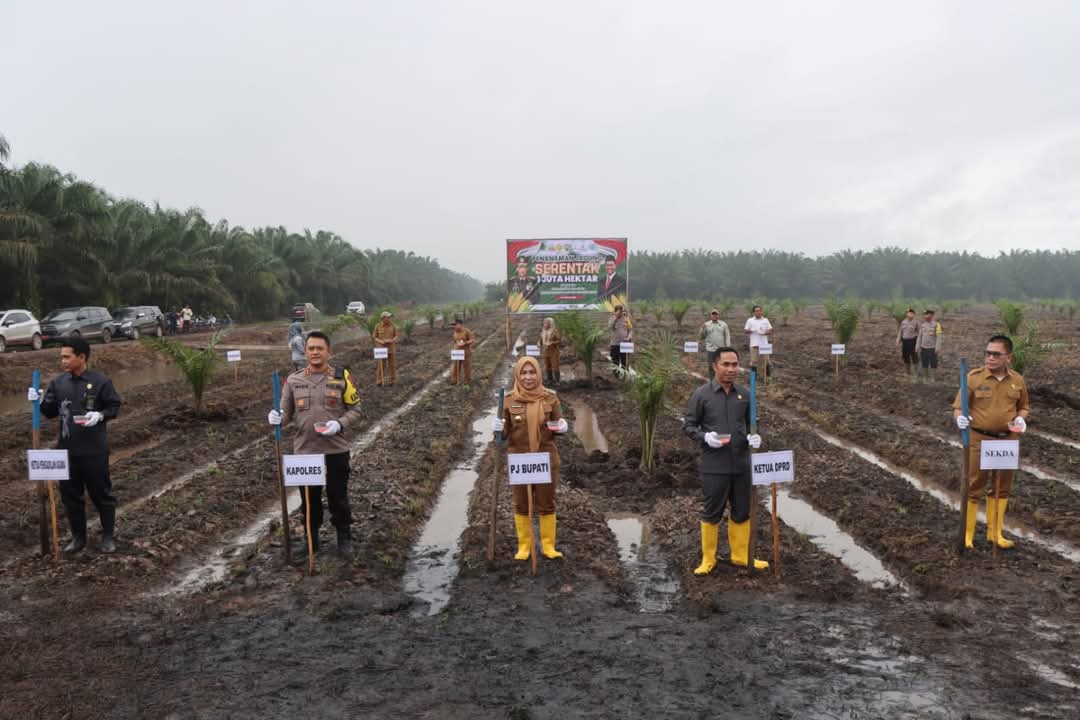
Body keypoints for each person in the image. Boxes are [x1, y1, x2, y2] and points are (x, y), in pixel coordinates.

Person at [268, 331, 362, 556]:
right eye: (311, 348)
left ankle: (344, 537)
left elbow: (356, 409)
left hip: (336, 449)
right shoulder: (293, 380)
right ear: (305, 351)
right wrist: (276, 417)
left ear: (329, 351)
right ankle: (312, 539)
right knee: (309, 499)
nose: (315, 352)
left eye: (320, 348)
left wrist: (339, 424)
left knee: (338, 495)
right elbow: (286, 413)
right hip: (305, 452)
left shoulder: (342, 377)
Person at [27, 337, 122, 553]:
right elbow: (50, 412)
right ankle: (78, 537)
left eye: (67, 357)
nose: (63, 361)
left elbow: (114, 406)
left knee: (101, 494)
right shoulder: (59, 383)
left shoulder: (100, 382)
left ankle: (108, 537)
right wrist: (38, 401)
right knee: (71, 497)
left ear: (82, 357)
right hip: (67, 451)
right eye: (61, 357)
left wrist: (100, 415)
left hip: (94, 450)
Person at [682, 347, 766, 574]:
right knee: (712, 512)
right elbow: (688, 426)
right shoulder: (702, 395)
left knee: (742, 511)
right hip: (714, 465)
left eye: (735, 365)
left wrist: (753, 437)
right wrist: (705, 437)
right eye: (726, 364)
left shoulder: (745, 394)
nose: (731, 369)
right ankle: (709, 559)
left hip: (741, 464)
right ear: (714, 366)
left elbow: (751, 424)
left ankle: (740, 555)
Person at [953, 335, 1031, 550]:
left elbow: (1024, 406)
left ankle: (995, 534)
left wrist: (1021, 418)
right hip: (980, 439)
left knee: (1001, 488)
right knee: (974, 486)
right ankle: (967, 535)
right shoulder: (973, 378)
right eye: (988, 353)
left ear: (1009, 357)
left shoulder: (1017, 380)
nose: (990, 357)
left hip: (1007, 440)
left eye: (996, 354)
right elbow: (959, 407)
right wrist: (959, 419)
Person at [491, 356, 570, 560]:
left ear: (538, 373)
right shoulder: (508, 400)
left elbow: (557, 424)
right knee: (521, 504)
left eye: (532, 372)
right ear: (518, 375)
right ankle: (524, 547)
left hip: (546, 459)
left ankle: (548, 546)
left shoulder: (550, 398)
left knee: (546, 503)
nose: (528, 377)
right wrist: (497, 429)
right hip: (520, 461)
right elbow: (503, 436)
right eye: (524, 373)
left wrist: (562, 427)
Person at [915, 309, 944, 381]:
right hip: (923, 347)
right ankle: (925, 377)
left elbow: (939, 337)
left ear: (931, 315)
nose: (926, 316)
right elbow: (919, 336)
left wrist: (937, 347)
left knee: (933, 362)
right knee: (924, 362)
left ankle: (932, 377)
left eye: (927, 314)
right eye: (925, 314)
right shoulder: (922, 325)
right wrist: (917, 346)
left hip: (932, 347)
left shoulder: (937, 325)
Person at [743, 305, 772, 375]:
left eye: (759, 311)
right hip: (754, 344)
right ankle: (754, 377)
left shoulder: (766, 320)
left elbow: (770, 330)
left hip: (764, 344)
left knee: (767, 361)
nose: (758, 312)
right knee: (753, 361)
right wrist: (752, 330)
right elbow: (746, 330)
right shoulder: (750, 320)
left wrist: (765, 332)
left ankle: (767, 378)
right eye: (756, 311)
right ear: (753, 312)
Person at [372, 311, 399, 386]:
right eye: (388, 317)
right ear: (383, 318)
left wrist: (391, 340)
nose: (390, 319)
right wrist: (381, 341)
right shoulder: (378, 326)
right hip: (381, 349)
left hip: (391, 348)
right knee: (381, 365)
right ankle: (379, 381)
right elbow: (374, 337)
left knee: (392, 365)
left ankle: (392, 381)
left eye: (390, 317)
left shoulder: (393, 325)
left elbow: (396, 336)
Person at [607, 305, 632, 372]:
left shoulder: (626, 319)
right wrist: (616, 318)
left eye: (621, 311)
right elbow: (610, 327)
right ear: (615, 312)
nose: (620, 313)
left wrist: (628, 337)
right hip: (615, 343)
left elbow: (630, 330)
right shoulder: (612, 319)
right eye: (618, 311)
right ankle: (616, 377)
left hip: (625, 343)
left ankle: (625, 376)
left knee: (625, 361)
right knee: (615, 362)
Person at [451, 318, 476, 386]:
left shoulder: (466, 331)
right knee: (456, 366)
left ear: (460, 324)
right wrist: (455, 347)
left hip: (466, 352)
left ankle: (467, 381)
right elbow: (455, 342)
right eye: (453, 325)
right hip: (457, 352)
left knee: (466, 367)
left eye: (455, 325)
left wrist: (465, 343)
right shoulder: (455, 332)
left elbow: (472, 339)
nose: (454, 326)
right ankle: (455, 380)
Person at [895, 308, 919, 379]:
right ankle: (907, 372)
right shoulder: (903, 322)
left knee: (914, 356)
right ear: (906, 314)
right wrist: (898, 340)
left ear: (914, 314)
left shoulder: (916, 322)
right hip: (905, 341)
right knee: (905, 356)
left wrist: (919, 343)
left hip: (913, 341)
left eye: (911, 313)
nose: (910, 314)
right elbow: (900, 332)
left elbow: (919, 333)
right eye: (908, 313)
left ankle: (916, 373)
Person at [539, 316, 561, 385]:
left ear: (550, 324)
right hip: (545, 351)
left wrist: (552, 343)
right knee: (547, 365)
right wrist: (539, 343)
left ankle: (557, 381)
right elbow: (541, 340)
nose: (544, 324)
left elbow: (559, 341)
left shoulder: (555, 331)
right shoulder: (543, 331)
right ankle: (549, 379)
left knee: (555, 365)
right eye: (544, 323)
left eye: (546, 323)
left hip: (553, 351)